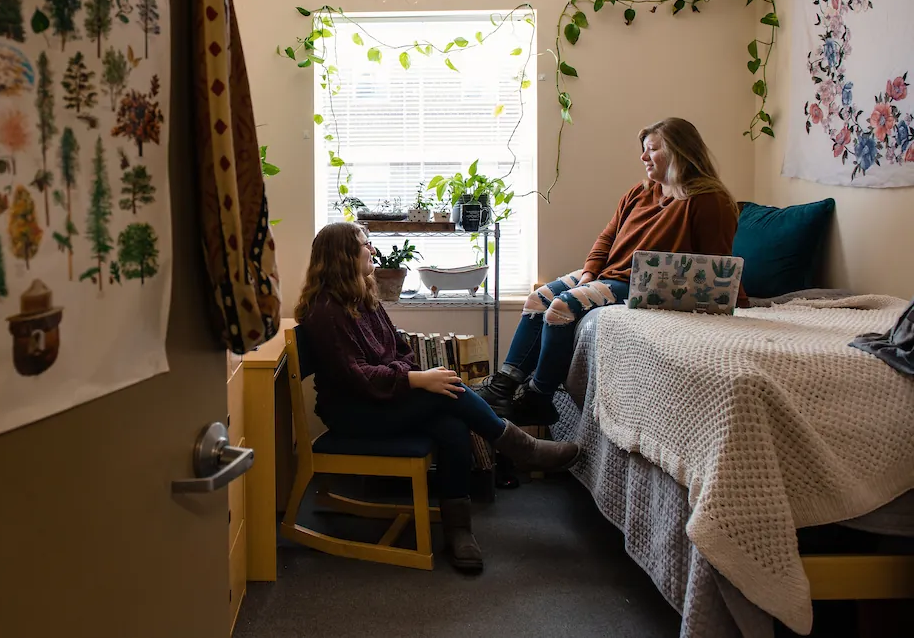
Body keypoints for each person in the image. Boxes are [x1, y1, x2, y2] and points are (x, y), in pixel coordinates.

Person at [295, 221, 579, 573]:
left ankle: (459, 529)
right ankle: (521, 448)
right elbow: (357, 377)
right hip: (354, 413)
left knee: (450, 422)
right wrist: (416, 379)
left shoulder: (363, 299)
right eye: (364, 243)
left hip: (380, 399)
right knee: (448, 392)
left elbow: (400, 349)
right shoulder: (325, 311)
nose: (371, 248)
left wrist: (412, 375)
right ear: (343, 255)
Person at [475, 117, 746, 426]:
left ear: (679, 153)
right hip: (609, 273)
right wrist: (590, 273)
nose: (643, 157)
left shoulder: (709, 201)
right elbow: (606, 237)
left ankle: (539, 397)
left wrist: (728, 299)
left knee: (561, 308)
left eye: (652, 149)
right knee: (538, 300)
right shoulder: (639, 193)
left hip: (641, 283)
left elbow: (715, 264)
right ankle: (503, 386)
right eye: (643, 150)